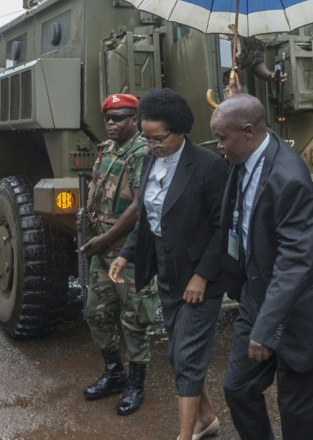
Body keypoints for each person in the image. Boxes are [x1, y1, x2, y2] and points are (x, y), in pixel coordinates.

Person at [210, 94, 313, 440]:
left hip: (300, 312)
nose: (218, 144)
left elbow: (295, 261)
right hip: (257, 296)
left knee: (295, 412)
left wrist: (267, 327)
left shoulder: (289, 179)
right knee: (238, 389)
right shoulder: (243, 160)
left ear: (249, 131)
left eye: (222, 137)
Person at [108, 88, 228, 440]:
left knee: (186, 356)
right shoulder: (150, 160)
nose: (152, 145)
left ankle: (185, 434)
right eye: (146, 137)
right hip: (168, 273)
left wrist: (202, 276)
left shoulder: (208, 167)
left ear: (181, 131)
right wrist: (125, 254)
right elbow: (147, 219)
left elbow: (225, 228)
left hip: (200, 278)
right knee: (179, 355)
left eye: (158, 138)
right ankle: (206, 419)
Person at [80, 93, 159, 415]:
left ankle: (135, 384)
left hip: (129, 252)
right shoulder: (107, 150)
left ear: (135, 120)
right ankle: (114, 373)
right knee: (96, 313)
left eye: (120, 118)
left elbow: (141, 205)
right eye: (108, 119)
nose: (111, 124)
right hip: (103, 249)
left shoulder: (142, 152)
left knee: (134, 321)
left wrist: (107, 238)